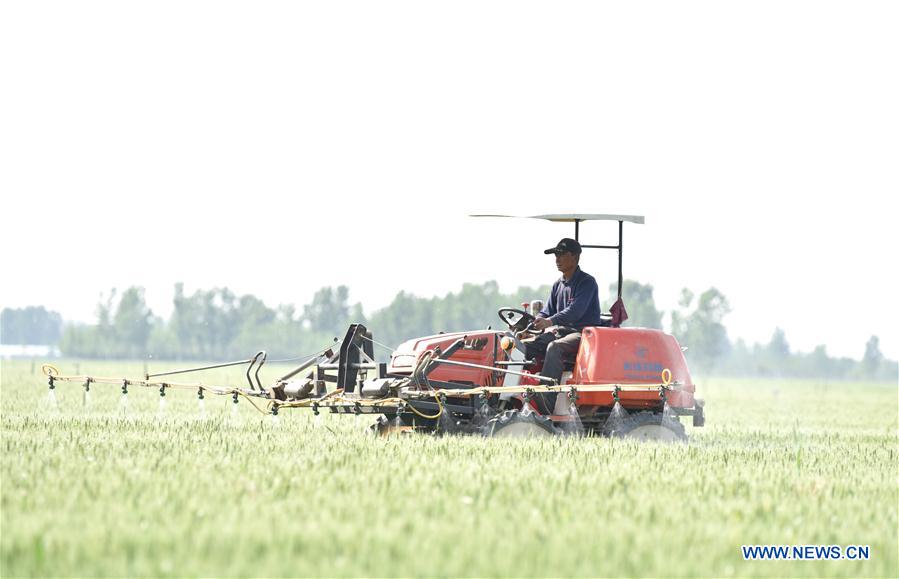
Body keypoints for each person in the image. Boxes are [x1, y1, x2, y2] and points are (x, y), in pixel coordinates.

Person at [527, 237, 601, 414]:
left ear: (575, 257)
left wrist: (550, 321)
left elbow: (575, 311)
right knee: (523, 346)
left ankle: (545, 403)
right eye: (555, 255)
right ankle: (512, 393)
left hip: (583, 335)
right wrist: (533, 323)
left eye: (561, 255)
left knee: (555, 348)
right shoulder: (557, 285)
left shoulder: (587, 283)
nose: (557, 259)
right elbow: (546, 311)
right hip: (560, 332)